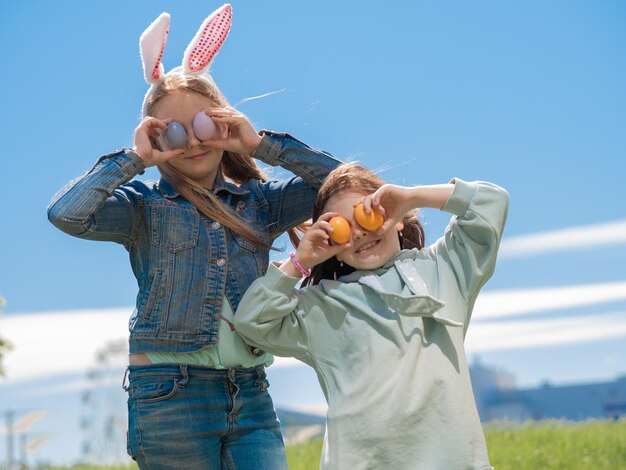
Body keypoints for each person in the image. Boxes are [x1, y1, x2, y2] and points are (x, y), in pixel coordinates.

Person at [47, 5, 340, 469]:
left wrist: (259, 144)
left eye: (205, 125)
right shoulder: (144, 208)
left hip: (250, 390)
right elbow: (66, 214)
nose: (194, 143)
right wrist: (132, 160)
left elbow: (340, 182)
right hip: (168, 394)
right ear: (155, 140)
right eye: (175, 133)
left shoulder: (260, 202)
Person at [234, 163, 509, 469]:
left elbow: (490, 202)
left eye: (368, 212)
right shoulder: (323, 304)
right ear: (333, 248)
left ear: (398, 220)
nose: (359, 232)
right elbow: (253, 321)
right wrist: (301, 261)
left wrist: (411, 197)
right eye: (341, 228)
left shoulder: (444, 270)